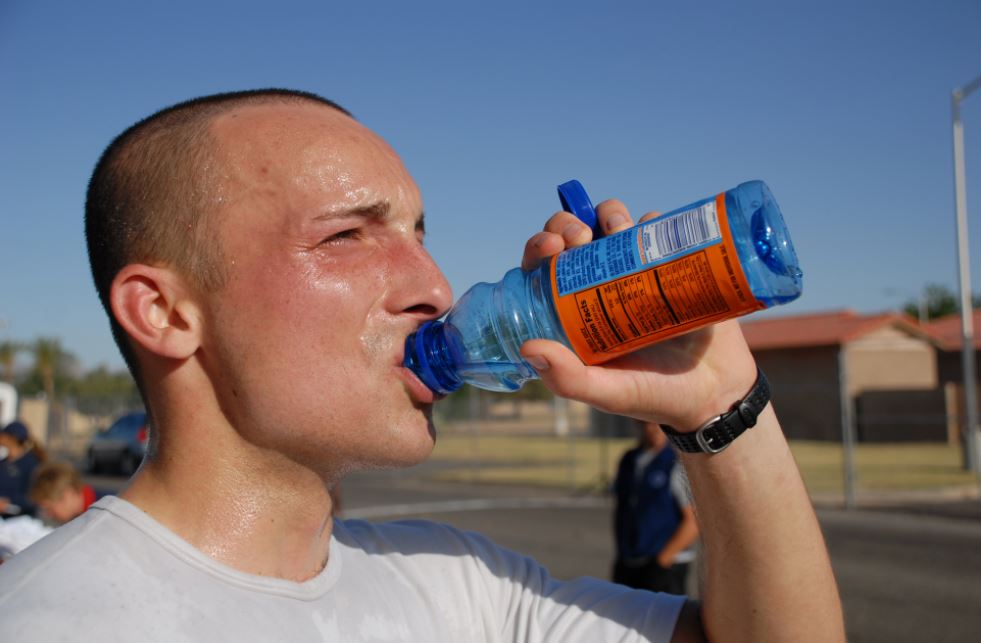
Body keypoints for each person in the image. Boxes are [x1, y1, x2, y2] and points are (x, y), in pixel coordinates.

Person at [0, 89, 844, 642]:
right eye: (346, 235)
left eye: (418, 233)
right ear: (165, 312)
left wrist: (720, 404)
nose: (434, 285)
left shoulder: (459, 585)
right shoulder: (47, 619)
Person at [613, 421, 698, 595]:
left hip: (664, 565)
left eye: (660, 424)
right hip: (630, 561)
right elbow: (622, 508)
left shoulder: (675, 465)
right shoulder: (629, 461)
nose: (655, 430)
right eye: (649, 424)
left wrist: (661, 562)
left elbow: (693, 521)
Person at [28, 461, 100, 525]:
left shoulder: (103, 515)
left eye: (49, 508)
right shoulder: (83, 516)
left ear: (66, 495)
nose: (48, 515)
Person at [0, 421, 43, 518]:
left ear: (11, 438)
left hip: (22, 523)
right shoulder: (3, 463)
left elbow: (35, 497)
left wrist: (9, 502)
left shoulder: (32, 464)